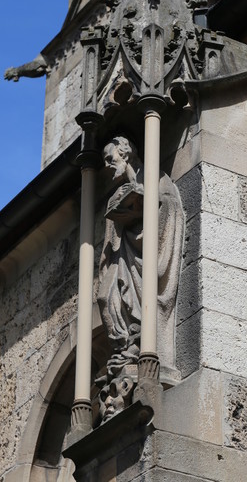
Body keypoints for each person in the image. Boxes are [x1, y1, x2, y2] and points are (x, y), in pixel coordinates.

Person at [97, 136, 184, 382]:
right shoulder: (117, 193)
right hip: (123, 255)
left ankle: (139, 344)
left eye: (110, 158)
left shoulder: (157, 178)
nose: (107, 165)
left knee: (142, 299)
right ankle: (124, 347)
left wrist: (149, 202)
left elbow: (171, 208)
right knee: (105, 296)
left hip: (147, 252)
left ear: (125, 154)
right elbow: (111, 235)